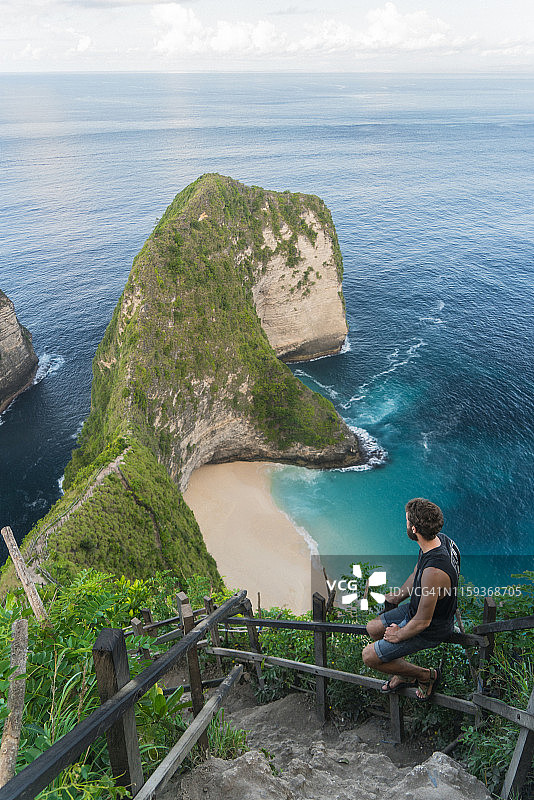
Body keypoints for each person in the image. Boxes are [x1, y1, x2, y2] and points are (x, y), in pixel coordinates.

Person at [361, 497, 460, 700]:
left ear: (414, 529)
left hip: (432, 627)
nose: (405, 524)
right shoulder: (439, 540)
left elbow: (423, 621)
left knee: (369, 656)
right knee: (373, 628)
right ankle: (402, 672)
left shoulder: (434, 570)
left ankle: (426, 676)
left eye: (407, 521)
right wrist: (397, 597)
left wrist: (399, 634)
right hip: (417, 610)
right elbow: (417, 573)